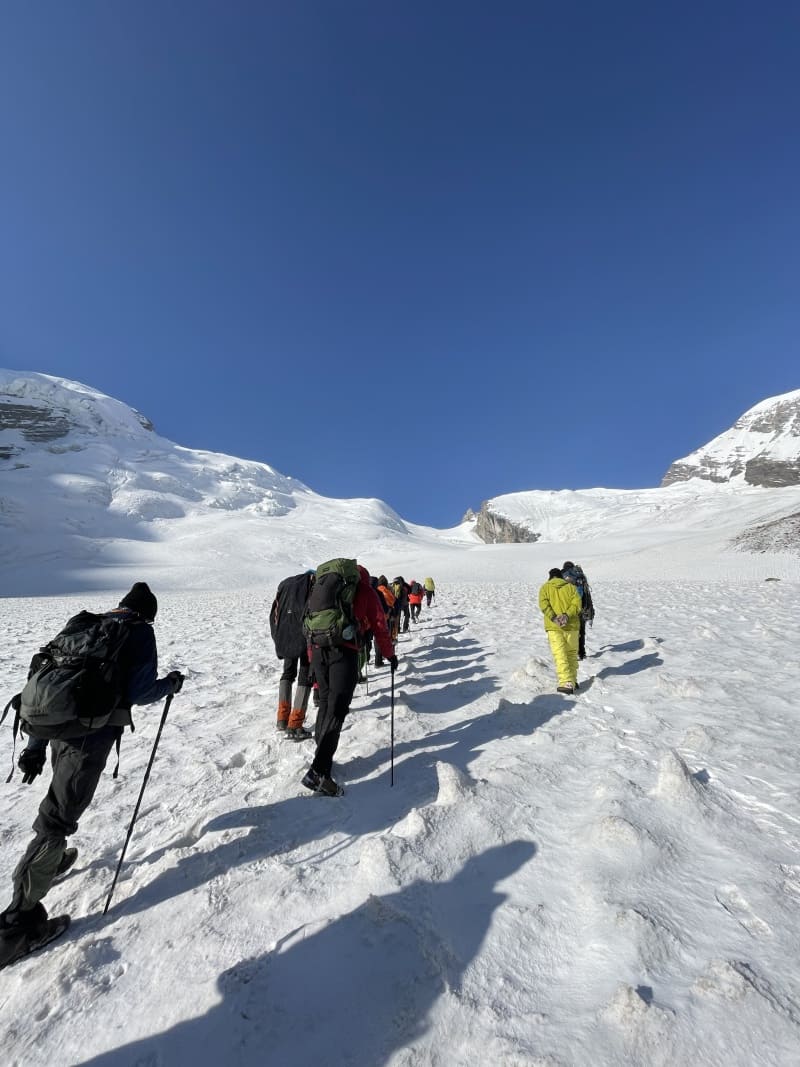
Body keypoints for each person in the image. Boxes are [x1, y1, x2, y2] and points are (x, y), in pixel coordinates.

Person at [0, 582, 184, 969]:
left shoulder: (87, 624)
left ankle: (51, 860)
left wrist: (33, 748)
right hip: (90, 737)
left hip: (55, 730)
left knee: (59, 796)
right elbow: (140, 691)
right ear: (147, 612)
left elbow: (48, 685)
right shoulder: (138, 631)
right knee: (58, 817)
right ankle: (18, 923)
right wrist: (171, 684)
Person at [302, 565, 396, 796]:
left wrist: (312, 657)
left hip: (318, 649)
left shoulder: (323, 590)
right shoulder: (365, 590)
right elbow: (380, 625)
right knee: (337, 710)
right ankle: (319, 772)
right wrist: (389, 655)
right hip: (344, 653)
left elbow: (309, 621)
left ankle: (322, 757)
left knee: (325, 703)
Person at [270, 570, 316, 740]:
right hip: (305, 638)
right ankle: (295, 724)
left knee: (288, 673)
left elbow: (274, 616)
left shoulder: (285, 586)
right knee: (305, 676)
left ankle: (282, 718)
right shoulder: (311, 586)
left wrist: (278, 637)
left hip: (285, 636)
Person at [538, 567, 582, 694]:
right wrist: (566, 615)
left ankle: (566, 683)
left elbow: (544, 605)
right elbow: (576, 605)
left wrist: (553, 617)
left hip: (554, 627)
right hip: (572, 626)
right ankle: (572, 680)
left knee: (560, 654)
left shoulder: (545, 588)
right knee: (571, 654)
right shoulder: (571, 588)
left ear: (550, 576)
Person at [562, 561, 594, 660]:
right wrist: (590, 611)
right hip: (581, 608)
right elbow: (587, 595)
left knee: (569, 631)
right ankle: (581, 652)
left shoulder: (563, 576)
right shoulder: (580, 577)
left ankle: (570, 653)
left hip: (568, 609)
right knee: (581, 631)